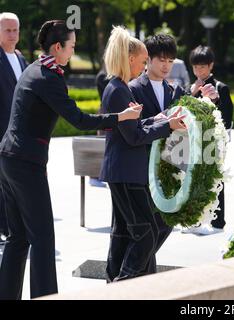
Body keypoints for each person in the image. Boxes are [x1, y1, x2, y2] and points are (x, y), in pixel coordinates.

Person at [0, 20, 142, 300]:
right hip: (26, 163)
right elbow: (78, 119)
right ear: (58, 47)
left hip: (8, 158)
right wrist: (120, 117)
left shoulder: (33, 69)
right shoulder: (48, 78)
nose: (73, 51)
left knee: (18, 237)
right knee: (42, 238)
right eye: (72, 47)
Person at [99, 27, 186, 282]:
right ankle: (125, 283)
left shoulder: (120, 87)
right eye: (143, 59)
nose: (144, 65)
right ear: (131, 59)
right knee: (146, 233)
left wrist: (158, 120)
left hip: (129, 171)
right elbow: (134, 136)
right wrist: (166, 124)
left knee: (127, 232)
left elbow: (135, 128)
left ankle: (119, 281)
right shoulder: (119, 89)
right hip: (126, 171)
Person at [129, 39, 220, 236]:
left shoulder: (176, 90)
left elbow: (191, 118)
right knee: (137, 231)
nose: (166, 66)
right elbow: (133, 129)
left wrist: (207, 98)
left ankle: (141, 267)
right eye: (161, 60)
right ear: (148, 59)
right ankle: (132, 267)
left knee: (163, 226)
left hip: (170, 167)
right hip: (139, 169)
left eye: (170, 61)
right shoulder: (133, 88)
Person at [180, 45, 233, 235]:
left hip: (212, 140)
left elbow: (227, 117)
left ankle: (218, 222)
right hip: (192, 140)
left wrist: (216, 100)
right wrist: (191, 94)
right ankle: (193, 219)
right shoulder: (189, 88)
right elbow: (180, 111)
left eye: (202, 67)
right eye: (195, 67)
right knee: (192, 178)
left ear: (211, 65)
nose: (199, 71)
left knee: (214, 179)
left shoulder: (220, 88)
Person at [0, 12, 28, 243]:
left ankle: (10, 228)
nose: (12, 34)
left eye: (15, 30)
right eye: (7, 30)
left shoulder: (20, 58)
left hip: (18, 137)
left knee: (10, 186)